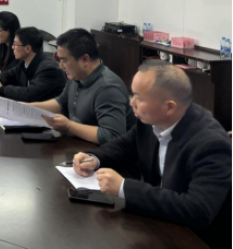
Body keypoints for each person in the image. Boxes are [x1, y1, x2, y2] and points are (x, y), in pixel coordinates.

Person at [73, 61, 231, 249]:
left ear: (169, 107)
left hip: (192, 238)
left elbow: (198, 210)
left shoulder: (211, 144)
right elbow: (125, 145)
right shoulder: (151, 119)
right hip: (156, 222)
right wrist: (94, 158)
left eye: (139, 98)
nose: (131, 103)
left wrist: (124, 188)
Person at [29, 28, 135, 145]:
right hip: (80, 147)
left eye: (64, 60)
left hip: (104, 153)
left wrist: (69, 126)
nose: (60, 66)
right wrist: (27, 108)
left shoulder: (108, 88)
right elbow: (62, 102)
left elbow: (112, 136)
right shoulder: (76, 76)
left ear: (85, 60)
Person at [0, 26, 66, 101]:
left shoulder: (49, 69)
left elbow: (29, 94)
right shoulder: (24, 62)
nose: (12, 47)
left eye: (15, 44)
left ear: (27, 49)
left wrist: (1, 89)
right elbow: (7, 74)